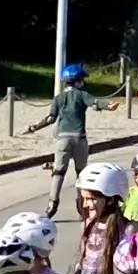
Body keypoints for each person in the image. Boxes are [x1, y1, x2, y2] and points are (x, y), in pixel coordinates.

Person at [26, 63, 95, 219]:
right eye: (82, 80)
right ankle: (82, 205)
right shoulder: (82, 95)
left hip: (62, 139)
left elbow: (51, 118)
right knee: (81, 173)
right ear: (78, 81)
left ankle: (52, 204)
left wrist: (35, 127)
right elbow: (96, 103)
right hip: (79, 138)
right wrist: (108, 106)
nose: (83, 82)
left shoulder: (58, 98)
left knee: (58, 172)